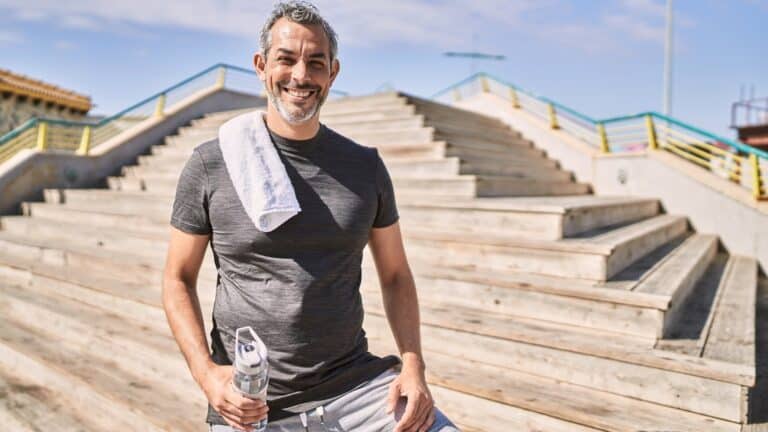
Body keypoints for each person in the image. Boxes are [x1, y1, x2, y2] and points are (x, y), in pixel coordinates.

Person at [161, 2, 460, 431]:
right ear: (262, 66)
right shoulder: (212, 164)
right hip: (252, 402)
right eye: (286, 59)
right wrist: (207, 374)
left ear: (332, 73)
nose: (301, 75)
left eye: (315, 62)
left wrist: (413, 367)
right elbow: (176, 278)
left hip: (357, 388)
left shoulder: (365, 168)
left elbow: (395, 274)